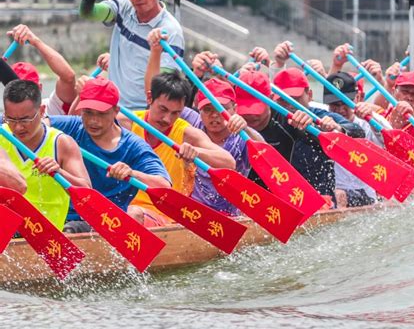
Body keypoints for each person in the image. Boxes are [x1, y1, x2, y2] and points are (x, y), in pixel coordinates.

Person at [46, 77, 171, 232]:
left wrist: (132, 173)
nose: (93, 121)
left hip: (108, 222)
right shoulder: (72, 125)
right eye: (88, 112)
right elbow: (36, 126)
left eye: (101, 114)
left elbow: (165, 186)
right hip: (62, 214)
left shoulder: (133, 146)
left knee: (132, 214)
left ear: (116, 111)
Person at [234, 69, 364, 203]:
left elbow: (358, 131)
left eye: (295, 98)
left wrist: (335, 128)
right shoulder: (231, 120)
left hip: (318, 200)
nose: (290, 104)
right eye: (283, 99)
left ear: (309, 94)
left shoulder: (314, 116)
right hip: (266, 201)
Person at [124, 71, 236, 222]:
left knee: (132, 214)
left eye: (175, 113)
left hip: (164, 215)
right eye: (163, 109)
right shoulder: (127, 122)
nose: (167, 119)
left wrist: (196, 152)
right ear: (149, 98)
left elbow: (229, 162)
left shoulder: (186, 133)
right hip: (121, 206)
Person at [79, 0, 184, 108]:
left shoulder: (171, 30)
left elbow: (161, 91)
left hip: (143, 115)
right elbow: (87, 13)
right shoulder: (123, 7)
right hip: (113, 107)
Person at [0, 79, 91, 229]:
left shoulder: (62, 144)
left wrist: (59, 172)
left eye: (25, 119)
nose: (18, 127)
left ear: (42, 111)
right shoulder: (2, 136)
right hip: (7, 228)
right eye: (11, 119)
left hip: (47, 234)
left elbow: (87, 194)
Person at [191, 77, 264, 215]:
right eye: (207, 109)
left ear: (235, 109)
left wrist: (246, 129)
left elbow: (267, 158)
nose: (214, 115)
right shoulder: (191, 128)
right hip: (194, 213)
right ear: (198, 111)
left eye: (221, 108)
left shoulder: (243, 137)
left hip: (231, 216)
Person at [322, 72, 383, 207]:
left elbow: (385, 144)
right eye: (334, 105)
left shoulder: (369, 122)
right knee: (339, 195)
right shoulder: (321, 120)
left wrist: (373, 118)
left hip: (367, 195)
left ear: (356, 98)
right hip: (337, 194)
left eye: (344, 103)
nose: (340, 109)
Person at [5, 23, 77, 115]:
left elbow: (68, 77)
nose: (22, 95)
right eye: (15, 90)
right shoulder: (4, 120)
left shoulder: (52, 108)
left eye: (28, 90)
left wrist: (35, 41)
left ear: (40, 88)